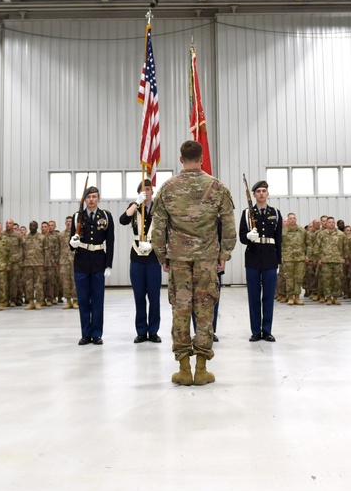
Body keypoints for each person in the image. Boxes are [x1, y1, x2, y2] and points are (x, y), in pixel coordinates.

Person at [150, 140, 236, 386]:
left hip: (178, 260)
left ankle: (183, 369)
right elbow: (229, 226)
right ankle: (202, 369)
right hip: (207, 260)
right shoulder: (216, 186)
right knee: (205, 310)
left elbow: (158, 229)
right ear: (201, 158)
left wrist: (163, 257)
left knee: (181, 309)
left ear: (181, 159)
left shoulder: (167, 188)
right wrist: (224, 255)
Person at [69, 186, 115, 345]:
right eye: (88, 197)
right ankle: (85, 334)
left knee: (97, 300)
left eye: (94, 197)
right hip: (81, 262)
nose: (91, 200)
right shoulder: (77, 217)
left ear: (98, 198)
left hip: (98, 262)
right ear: (84, 199)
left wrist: (108, 265)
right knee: (83, 300)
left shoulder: (106, 216)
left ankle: (96, 334)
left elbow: (110, 241)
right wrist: (73, 243)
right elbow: (71, 244)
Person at [238, 180, 283, 340]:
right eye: (258, 191)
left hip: (270, 258)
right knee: (254, 296)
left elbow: (278, 239)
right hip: (253, 258)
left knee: (269, 296)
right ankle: (256, 331)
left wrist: (279, 261)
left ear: (267, 194)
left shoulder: (275, 213)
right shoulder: (246, 213)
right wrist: (248, 237)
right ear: (255, 194)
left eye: (264, 191)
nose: (261, 194)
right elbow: (242, 237)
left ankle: (267, 330)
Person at [120, 179, 163, 343]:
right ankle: (141, 331)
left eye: (149, 189)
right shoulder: (135, 206)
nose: (147, 192)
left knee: (154, 296)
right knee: (139, 296)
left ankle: (153, 331)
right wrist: (136, 203)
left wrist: (155, 244)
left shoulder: (158, 208)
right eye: (143, 190)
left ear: (153, 192)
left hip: (153, 255)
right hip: (137, 255)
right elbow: (123, 220)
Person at [281, 213, 307, 306]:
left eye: (294, 218)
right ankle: (290, 297)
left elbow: (308, 244)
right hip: (288, 258)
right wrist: (281, 256)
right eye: (290, 218)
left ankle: (297, 297)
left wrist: (307, 255)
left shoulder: (302, 231)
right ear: (287, 220)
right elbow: (278, 245)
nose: (292, 220)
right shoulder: (283, 231)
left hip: (300, 258)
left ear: (296, 219)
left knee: (299, 278)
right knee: (289, 278)